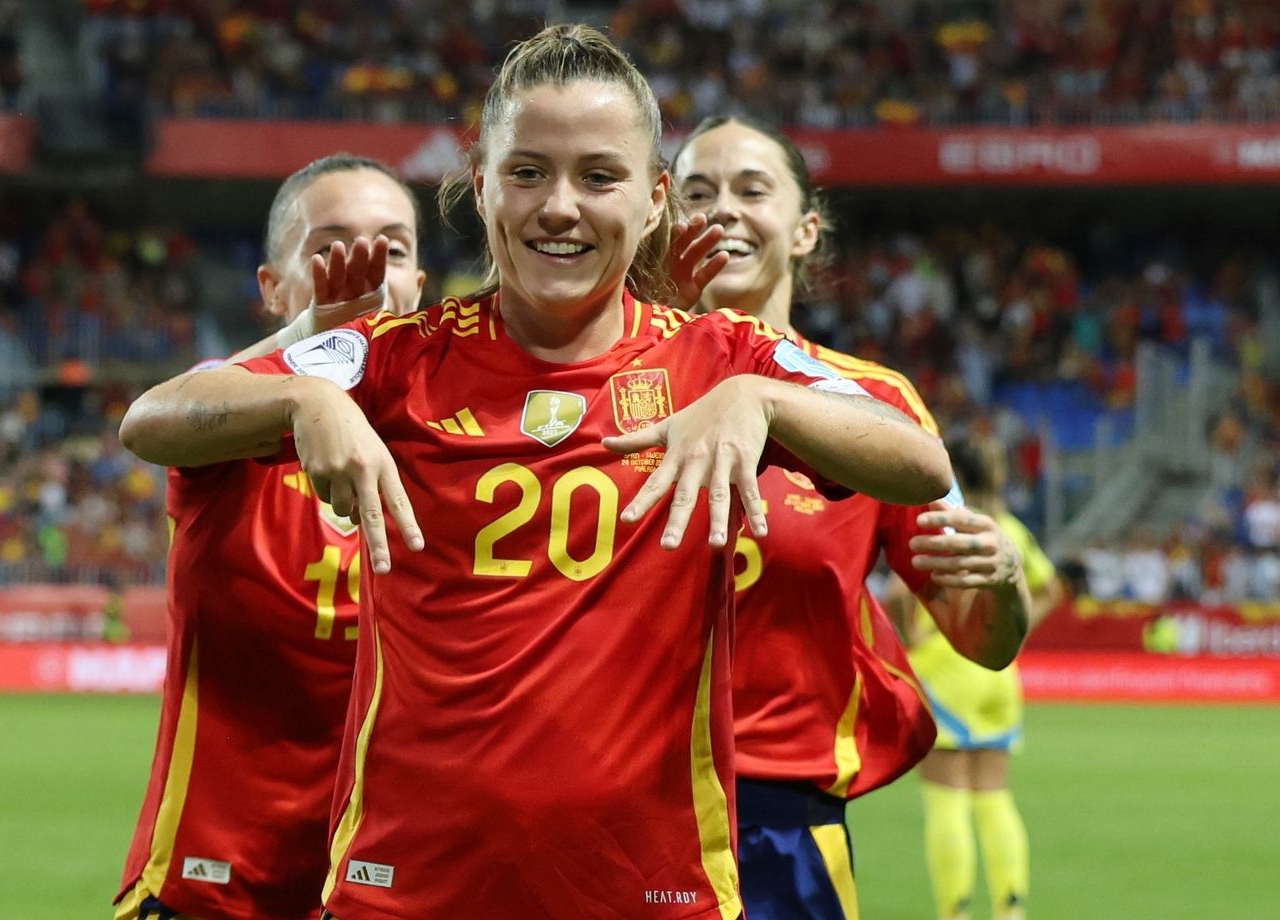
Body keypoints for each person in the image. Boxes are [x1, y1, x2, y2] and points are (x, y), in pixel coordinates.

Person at [119, 24, 952, 919]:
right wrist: (301, 398)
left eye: (599, 177)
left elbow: (918, 461)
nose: (559, 206)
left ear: (654, 202)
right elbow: (153, 419)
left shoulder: (719, 356)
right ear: (480, 188)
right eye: (527, 172)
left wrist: (763, 401)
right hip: (403, 894)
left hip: (650, 897)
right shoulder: (399, 354)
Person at [671, 116, 1034, 920]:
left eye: (751, 189)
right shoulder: (602, 383)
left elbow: (982, 638)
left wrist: (1003, 578)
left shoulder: (876, 412)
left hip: (782, 830)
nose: (723, 208)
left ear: (806, 230)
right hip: (615, 807)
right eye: (698, 191)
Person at [114, 154, 426, 920]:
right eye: (330, 249)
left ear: (420, 285)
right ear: (273, 289)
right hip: (211, 890)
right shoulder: (231, 426)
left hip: (380, 892)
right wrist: (307, 363)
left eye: (392, 249)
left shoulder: (457, 445)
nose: (367, 274)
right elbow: (147, 421)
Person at [889, 441, 1065, 920]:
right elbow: (1050, 589)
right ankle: (1011, 907)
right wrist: (1011, 630)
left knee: (946, 800)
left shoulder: (944, 525)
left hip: (947, 670)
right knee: (994, 797)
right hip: (999, 675)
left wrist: (915, 635)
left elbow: (898, 591)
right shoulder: (1009, 529)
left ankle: (956, 910)